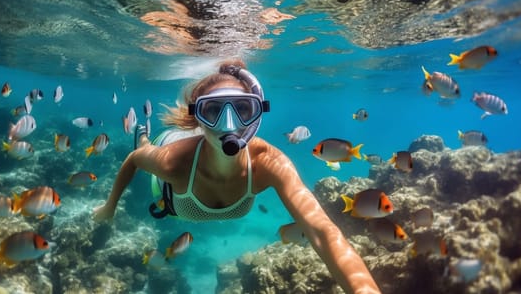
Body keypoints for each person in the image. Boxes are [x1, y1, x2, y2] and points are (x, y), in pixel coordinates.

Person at [93, 60, 380, 294]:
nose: (228, 124)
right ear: (198, 115)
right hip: (175, 152)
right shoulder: (173, 163)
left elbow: (322, 231)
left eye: (242, 109)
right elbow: (133, 160)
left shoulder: (268, 162)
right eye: (213, 110)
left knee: (206, 138)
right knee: (144, 149)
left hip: (201, 141)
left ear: (256, 116)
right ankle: (142, 133)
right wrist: (109, 207)